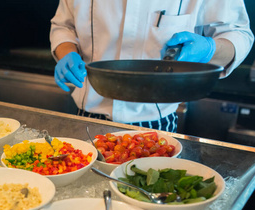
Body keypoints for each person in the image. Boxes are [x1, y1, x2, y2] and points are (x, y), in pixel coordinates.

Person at [50, 0, 254, 132]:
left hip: (156, 125)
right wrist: (67, 52)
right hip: (86, 120)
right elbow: (63, 25)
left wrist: (210, 47)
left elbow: (238, 34)